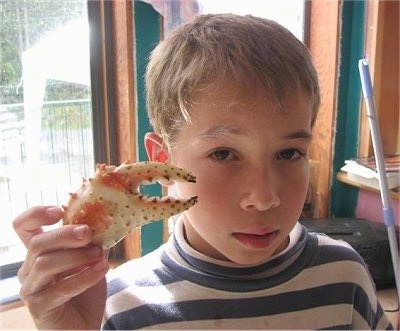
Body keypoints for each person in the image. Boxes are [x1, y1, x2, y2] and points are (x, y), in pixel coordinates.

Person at [13, 13, 393, 330]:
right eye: (224, 154)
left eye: (289, 152)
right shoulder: (119, 306)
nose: (264, 197)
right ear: (161, 163)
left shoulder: (345, 278)